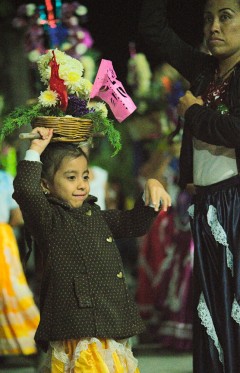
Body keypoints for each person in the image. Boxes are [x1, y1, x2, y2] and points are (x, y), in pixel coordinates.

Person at [13, 127, 172, 373]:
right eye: (71, 177)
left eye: (85, 176)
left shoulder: (95, 215)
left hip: (109, 321)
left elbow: (134, 223)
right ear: (45, 185)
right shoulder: (48, 219)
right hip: (79, 326)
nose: (81, 185)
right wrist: (35, 150)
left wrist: (152, 185)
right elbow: (25, 190)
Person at [138, 0, 240, 372]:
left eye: (226, 17)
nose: (213, 27)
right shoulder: (203, 68)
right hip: (209, 205)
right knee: (212, 309)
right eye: (208, 18)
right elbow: (154, 32)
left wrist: (193, 113)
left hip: (237, 205)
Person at [0, 168, 40, 358]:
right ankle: (29, 338)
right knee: (10, 290)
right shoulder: (5, 178)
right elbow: (17, 216)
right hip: (2, 239)